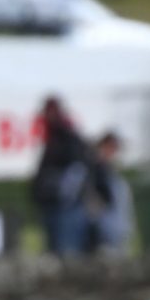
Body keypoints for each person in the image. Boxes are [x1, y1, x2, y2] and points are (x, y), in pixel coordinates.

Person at [32, 96, 90, 258]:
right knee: (56, 253)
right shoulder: (54, 139)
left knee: (66, 253)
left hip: (66, 208)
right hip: (55, 205)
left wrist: (64, 195)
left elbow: (77, 173)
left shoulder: (67, 138)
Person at [89, 129, 134, 254]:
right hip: (104, 233)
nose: (112, 152)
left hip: (118, 233)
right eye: (109, 147)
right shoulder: (95, 172)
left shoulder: (113, 174)